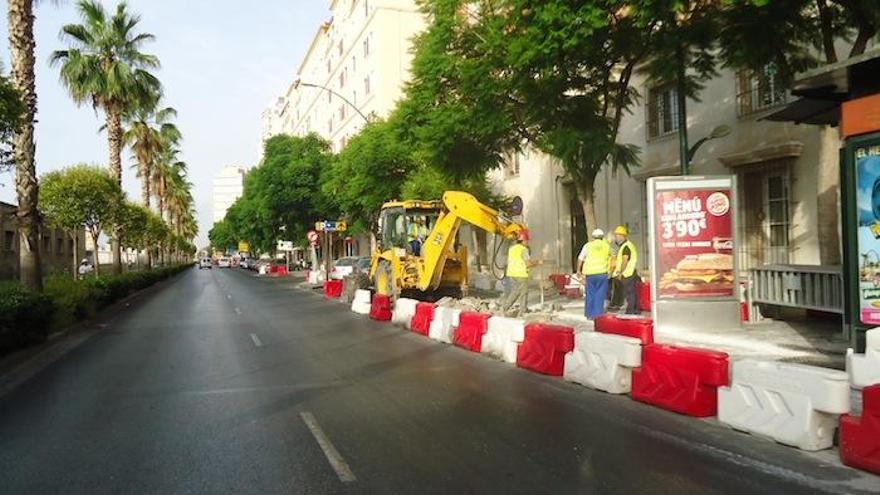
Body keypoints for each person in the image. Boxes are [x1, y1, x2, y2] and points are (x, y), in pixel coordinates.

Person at [499, 229, 543, 317]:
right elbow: (528, 264)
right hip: (521, 274)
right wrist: (538, 262)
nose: (527, 242)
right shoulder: (524, 250)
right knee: (524, 292)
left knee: (515, 292)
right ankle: (523, 311)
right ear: (523, 240)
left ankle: (505, 307)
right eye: (527, 240)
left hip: (511, 273)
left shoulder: (512, 249)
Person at [578, 228, 611, 319]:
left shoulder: (588, 246)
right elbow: (613, 258)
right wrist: (611, 271)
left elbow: (580, 258)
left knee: (590, 293)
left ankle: (589, 314)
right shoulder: (607, 246)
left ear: (593, 237)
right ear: (602, 237)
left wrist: (578, 270)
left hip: (590, 274)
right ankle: (597, 315)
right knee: (600, 294)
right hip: (602, 273)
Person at [610, 225, 640, 314]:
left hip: (627, 273)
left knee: (629, 294)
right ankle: (634, 310)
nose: (616, 238)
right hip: (629, 272)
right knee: (631, 293)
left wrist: (620, 273)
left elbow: (625, 260)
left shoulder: (626, 247)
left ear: (622, 236)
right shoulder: (626, 245)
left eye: (617, 236)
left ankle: (631, 311)